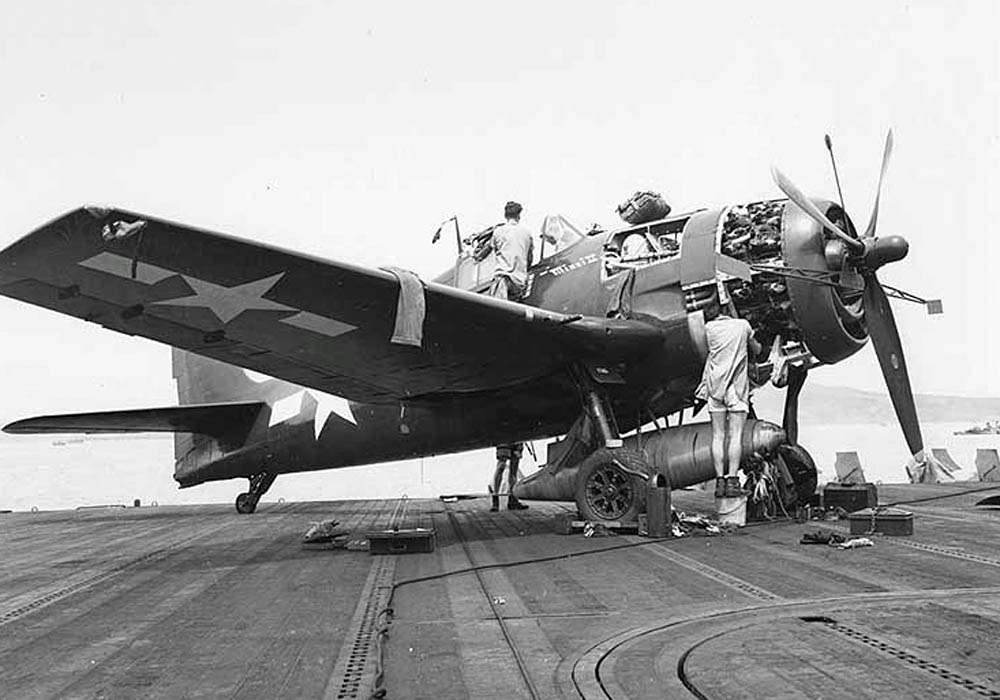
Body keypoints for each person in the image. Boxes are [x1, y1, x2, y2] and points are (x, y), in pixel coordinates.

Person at [698, 302, 762, 499]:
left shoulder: (708, 329)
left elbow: (703, 350)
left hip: (715, 389)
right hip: (736, 389)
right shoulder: (743, 325)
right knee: (735, 436)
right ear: (725, 310)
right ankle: (733, 481)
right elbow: (757, 350)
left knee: (717, 437)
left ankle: (719, 482)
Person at [476, 201, 534, 302]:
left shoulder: (498, 232)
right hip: (519, 283)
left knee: (495, 312)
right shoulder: (527, 233)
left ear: (505, 215)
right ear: (519, 216)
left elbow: (481, 255)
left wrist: (477, 251)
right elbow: (529, 259)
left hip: (504, 280)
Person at [491, 443, 528, 511]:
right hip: (504, 439)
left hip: (517, 438)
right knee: (501, 466)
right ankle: (495, 499)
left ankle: (512, 500)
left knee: (513, 469)